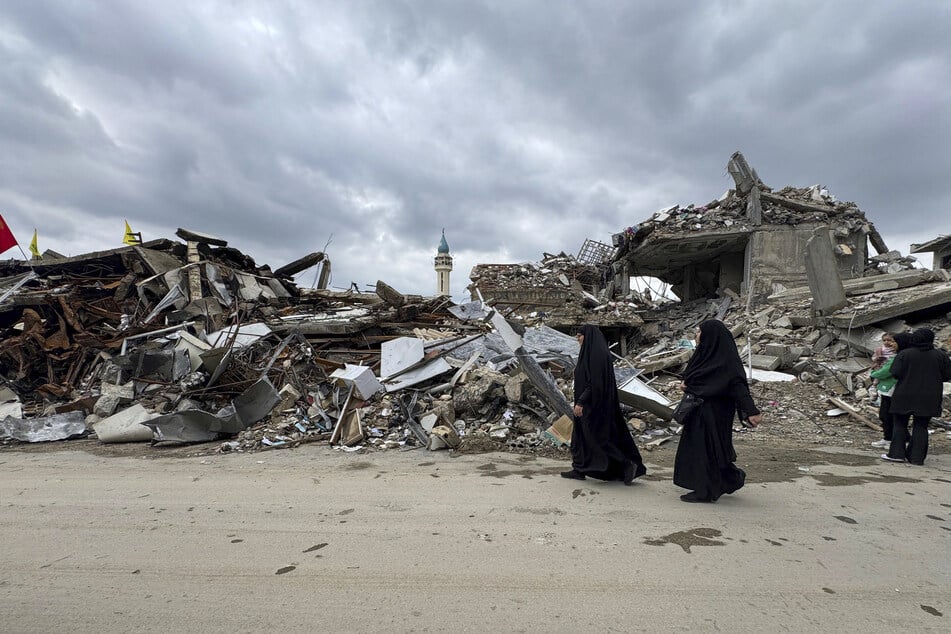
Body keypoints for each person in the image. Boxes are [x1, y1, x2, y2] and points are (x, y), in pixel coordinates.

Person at [673, 320, 763, 503]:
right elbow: (692, 377)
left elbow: (738, 385)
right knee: (704, 449)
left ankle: (705, 491)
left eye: (699, 332)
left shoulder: (726, 361)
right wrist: (687, 384)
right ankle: (729, 479)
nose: (696, 336)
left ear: (710, 337)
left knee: (707, 450)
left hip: (716, 413)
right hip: (698, 411)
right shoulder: (704, 354)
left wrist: (751, 411)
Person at [561, 324, 647, 484]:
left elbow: (594, 383)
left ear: (588, 336)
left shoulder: (596, 355)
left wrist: (580, 402)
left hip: (593, 405)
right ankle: (579, 469)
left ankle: (627, 465)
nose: (578, 339)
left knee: (596, 439)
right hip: (588, 403)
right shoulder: (590, 352)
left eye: (580, 336)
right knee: (581, 438)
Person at [882, 328, 951, 465]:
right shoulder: (940, 355)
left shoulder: (905, 354)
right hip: (929, 395)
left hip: (904, 393)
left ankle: (896, 454)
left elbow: (895, 372)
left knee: (900, 424)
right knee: (921, 426)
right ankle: (917, 458)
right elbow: (947, 375)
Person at [868, 332, 912, 449]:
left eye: (893, 342)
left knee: (889, 416)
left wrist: (874, 374)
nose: (891, 344)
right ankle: (888, 438)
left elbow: (888, 371)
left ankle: (900, 440)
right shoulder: (899, 355)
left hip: (892, 389)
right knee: (886, 415)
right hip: (888, 388)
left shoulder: (900, 357)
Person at [869, 333, 896, 405]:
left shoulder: (895, 349)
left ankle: (879, 398)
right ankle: (874, 392)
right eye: (884, 340)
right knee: (876, 381)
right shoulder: (880, 349)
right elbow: (873, 358)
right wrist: (877, 359)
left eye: (889, 340)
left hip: (889, 368)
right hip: (880, 367)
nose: (886, 342)